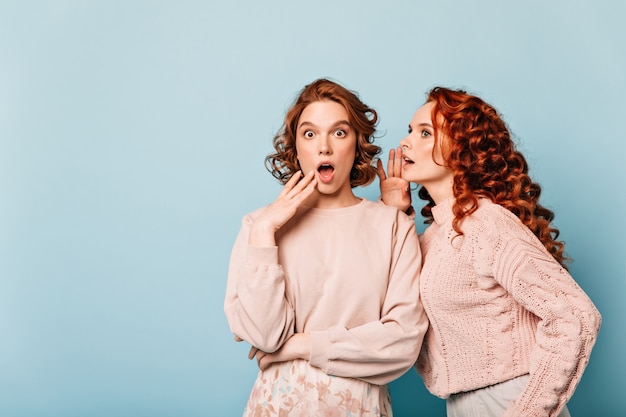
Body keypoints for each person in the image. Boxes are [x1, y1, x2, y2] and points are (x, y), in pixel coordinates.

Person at [377, 86, 601, 417]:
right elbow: (395, 304)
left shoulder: (486, 223)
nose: (407, 142)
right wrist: (396, 213)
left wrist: (529, 411)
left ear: (461, 149)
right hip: (462, 406)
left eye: (425, 133)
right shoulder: (434, 237)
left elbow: (576, 315)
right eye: (410, 131)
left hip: (507, 401)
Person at [224, 78, 428, 416]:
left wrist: (301, 346)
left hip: (360, 407)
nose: (324, 147)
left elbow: (403, 341)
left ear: (357, 143)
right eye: (309, 133)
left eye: (339, 132)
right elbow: (264, 335)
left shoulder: (393, 226)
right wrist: (263, 236)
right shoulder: (257, 226)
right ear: (295, 148)